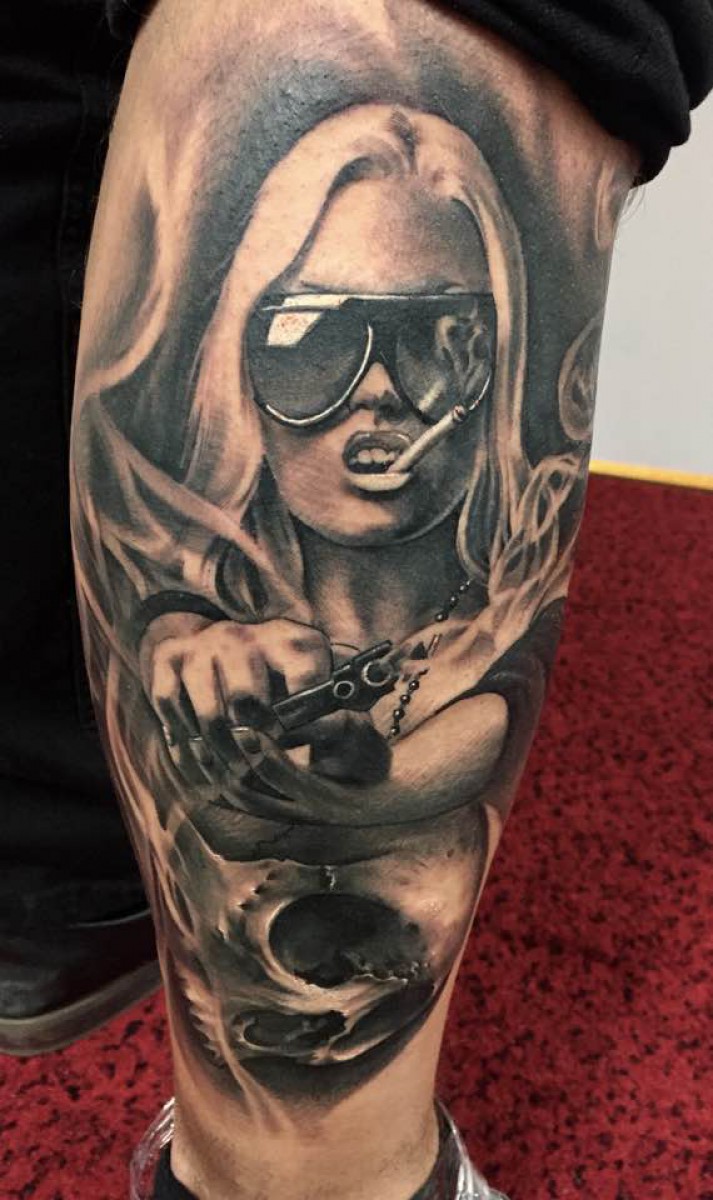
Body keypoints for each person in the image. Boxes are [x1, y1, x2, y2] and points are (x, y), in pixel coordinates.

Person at [2, 2, 712, 1199]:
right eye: (311, 335)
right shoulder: (211, 578)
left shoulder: (468, 641)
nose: (379, 396)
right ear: (233, 344)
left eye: (436, 337)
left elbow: (426, 752)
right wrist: (177, 642)